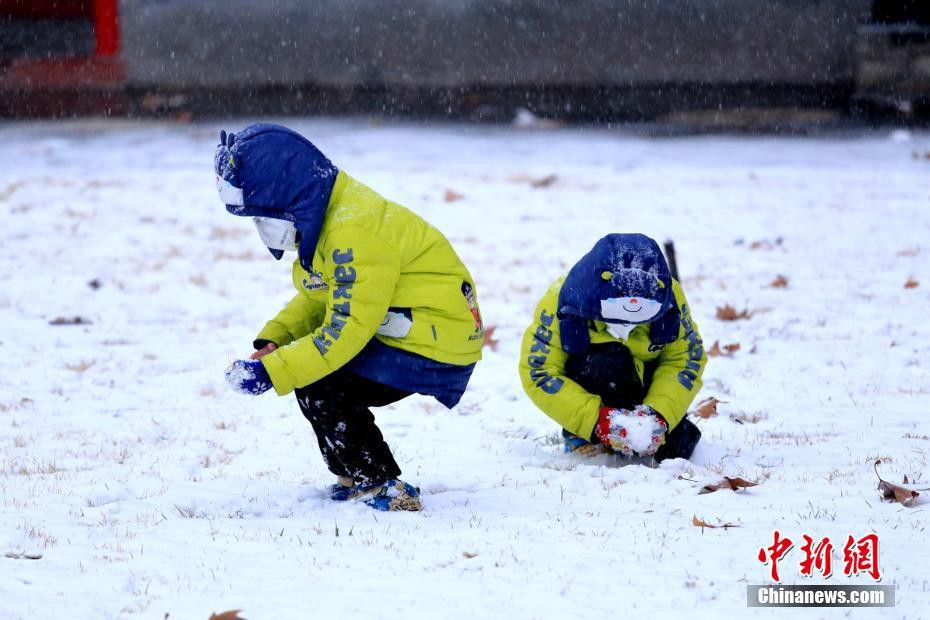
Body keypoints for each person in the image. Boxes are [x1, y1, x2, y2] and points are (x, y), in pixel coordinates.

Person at [215, 124, 484, 511]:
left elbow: (345, 331)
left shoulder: (353, 232)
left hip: (432, 340)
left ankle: (381, 483)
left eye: (261, 218)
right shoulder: (327, 217)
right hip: (406, 329)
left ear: (286, 197)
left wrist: (275, 369)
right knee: (312, 378)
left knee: (322, 380)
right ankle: (355, 475)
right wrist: (277, 339)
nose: (261, 230)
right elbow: (322, 296)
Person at [519, 233, 706, 463]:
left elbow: (684, 359)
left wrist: (660, 414)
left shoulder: (669, 296)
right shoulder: (562, 300)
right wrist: (596, 420)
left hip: (647, 386)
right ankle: (583, 435)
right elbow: (539, 371)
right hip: (593, 381)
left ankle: (646, 429)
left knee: (678, 448)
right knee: (609, 359)